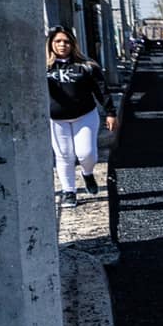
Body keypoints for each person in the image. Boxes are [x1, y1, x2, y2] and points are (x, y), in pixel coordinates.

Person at [46, 26, 115, 209]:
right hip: (56, 119)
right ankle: (69, 191)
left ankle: (88, 172)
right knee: (64, 155)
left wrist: (110, 112)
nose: (62, 45)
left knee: (86, 153)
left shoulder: (86, 66)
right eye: (58, 41)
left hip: (84, 116)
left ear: (73, 44)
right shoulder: (42, 67)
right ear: (51, 44)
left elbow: (101, 90)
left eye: (66, 41)